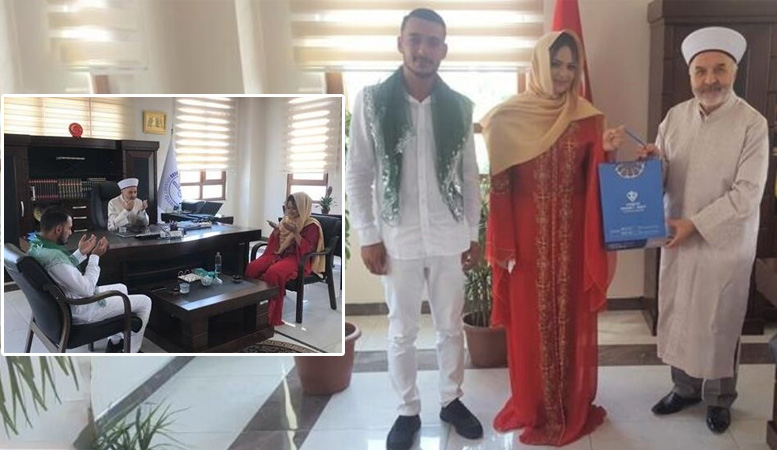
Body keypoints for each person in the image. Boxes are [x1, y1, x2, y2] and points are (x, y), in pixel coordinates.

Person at [346, 8, 483, 450]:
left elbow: (469, 177)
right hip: (397, 238)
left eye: (433, 41)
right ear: (401, 43)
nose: (424, 49)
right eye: (416, 39)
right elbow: (358, 172)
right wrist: (368, 235)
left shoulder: (459, 107)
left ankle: (451, 400)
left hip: (448, 236)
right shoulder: (372, 101)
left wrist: (473, 233)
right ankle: (407, 410)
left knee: (450, 327)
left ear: (444, 49)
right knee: (401, 330)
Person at [480, 30, 622, 446]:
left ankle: (569, 402)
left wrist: (607, 151)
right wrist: (504, 244)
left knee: (570, 319)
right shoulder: (507, 118)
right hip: (526, 244)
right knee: (530, 323)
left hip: (574, 240)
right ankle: (533, 404)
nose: (563, 73)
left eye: (571, 66)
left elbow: (595, 181)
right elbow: (500, 186)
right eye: (556, 63)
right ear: (540, 64)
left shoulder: (588, 117)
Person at [639, 26, 769, 434]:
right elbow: (663, 177)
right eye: (701, 71)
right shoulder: (674, 118)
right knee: (681, 314)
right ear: (690, 75)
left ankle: (719, 399)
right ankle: (684, 388)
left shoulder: (752, 123)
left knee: (719, 320)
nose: (710, 79)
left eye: (720, 69)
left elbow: (747, 194)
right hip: (677, 235)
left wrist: (696, 224)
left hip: (723, 242)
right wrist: (651, 164)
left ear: (734, 71)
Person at [27, 206, 152, 353]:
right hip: (80, 309)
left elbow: (62, 271)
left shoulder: (38, 247)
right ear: (58, 229)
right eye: (69, 228)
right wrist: (95, 257)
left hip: (62, 303)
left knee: (121, 288)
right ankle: (132, 352)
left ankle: (115, 343)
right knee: (145, 302)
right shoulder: (54, 258)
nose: (71, 233)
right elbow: (86, 289)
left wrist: (80, 253)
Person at [244, 192, 324, 326]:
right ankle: (251, 307)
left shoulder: (311, 225)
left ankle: (270, 314)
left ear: (303, 207)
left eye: (294, 208)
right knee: (253, 267)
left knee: (274, 272)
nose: (291, 211)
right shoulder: (286, 221)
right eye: (289, 207)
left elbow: (308, 250)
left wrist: (296, 233)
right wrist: (277, 231)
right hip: (279, 253)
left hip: (297, 257)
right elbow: (278, 244)